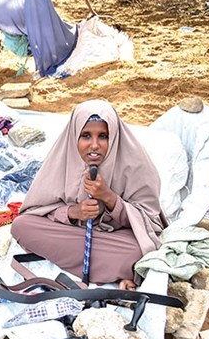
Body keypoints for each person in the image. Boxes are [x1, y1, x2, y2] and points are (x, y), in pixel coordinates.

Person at [11, 100, 167, 290]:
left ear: (114, 137)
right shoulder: (62, 158)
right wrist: (73, 213)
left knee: (138, 251)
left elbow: (150, 221)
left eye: (103, 136)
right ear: (74, 136)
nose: (94, 145)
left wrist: (109, 198)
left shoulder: (136, 163)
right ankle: (117, 270)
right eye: (86, 136)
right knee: (21, 226)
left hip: (117, 237)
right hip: (74, 232)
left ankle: (113, 266)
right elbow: (36, 209)